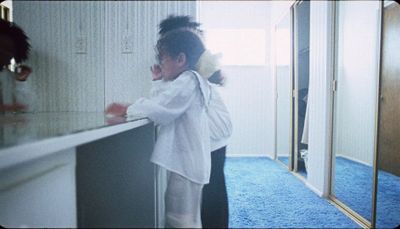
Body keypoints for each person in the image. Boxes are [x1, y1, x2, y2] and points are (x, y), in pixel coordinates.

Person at [106, 29, 211, 228]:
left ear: (180, 59)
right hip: (189, 163)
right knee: (187, 218)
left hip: (186, 165)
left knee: (179, 219)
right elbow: (166, 100)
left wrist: (129, 108)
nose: (161, 65)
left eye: (163, 60)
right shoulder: (189, 81)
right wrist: (157, 81)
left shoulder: (189, 80)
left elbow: (162, 108)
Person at [158, 15, 232, 228]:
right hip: (213, 134)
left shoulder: (192, 69)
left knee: (211, 188)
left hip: (212, 134)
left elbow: (172, 100)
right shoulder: (189, 67)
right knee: (211, 187)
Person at [0, 18, 32, 112]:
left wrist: (21, 81)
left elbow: (28, 109)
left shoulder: (7, 77)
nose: (3, 53)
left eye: (9, 50)